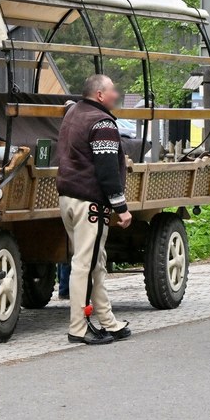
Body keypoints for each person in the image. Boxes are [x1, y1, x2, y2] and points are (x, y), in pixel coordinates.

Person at [57, 74, 133, 345]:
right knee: (85, 265)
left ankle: (108, 320)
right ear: (100, 95)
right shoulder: (103, 124)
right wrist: (121, 207)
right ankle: (78, 327)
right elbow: (107, 171)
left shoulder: (74, 112)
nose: (116, 94)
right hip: (90, 202)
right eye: (113, 89)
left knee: (94, 262)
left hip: (68, 198)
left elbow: (70, 106)